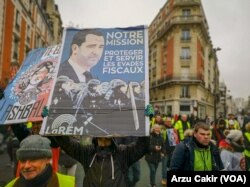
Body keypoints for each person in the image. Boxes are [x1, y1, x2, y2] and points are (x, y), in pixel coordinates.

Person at [52, 135, 149, 187]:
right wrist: (53, 123)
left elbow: (142, 147)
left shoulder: (122, 153)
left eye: (106, 140)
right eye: (100, 140)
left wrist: (146, 124)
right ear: (96, 139)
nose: (103, 144)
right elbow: (68, 145)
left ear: (112, 140)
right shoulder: (88, 153)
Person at [5, 135, 75, 187]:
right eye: (23, 160)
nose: (26, 166)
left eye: (33, 159)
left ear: (48, 159)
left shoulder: (70, 184)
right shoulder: (11, 185)